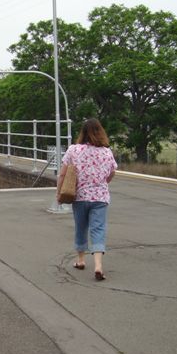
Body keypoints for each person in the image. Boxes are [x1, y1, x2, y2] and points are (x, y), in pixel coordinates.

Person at [56, 118, 117, 281]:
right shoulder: (107, 152)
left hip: (80, 196)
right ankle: (98, 266)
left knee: (81, 227)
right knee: (98, 230)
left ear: (82, 133)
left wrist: (59, 193)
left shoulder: (74, 150)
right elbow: (112, 173)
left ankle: (81, 260)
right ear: (100, 132)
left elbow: (62, 174)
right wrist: (102, 183)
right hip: (100, 197)